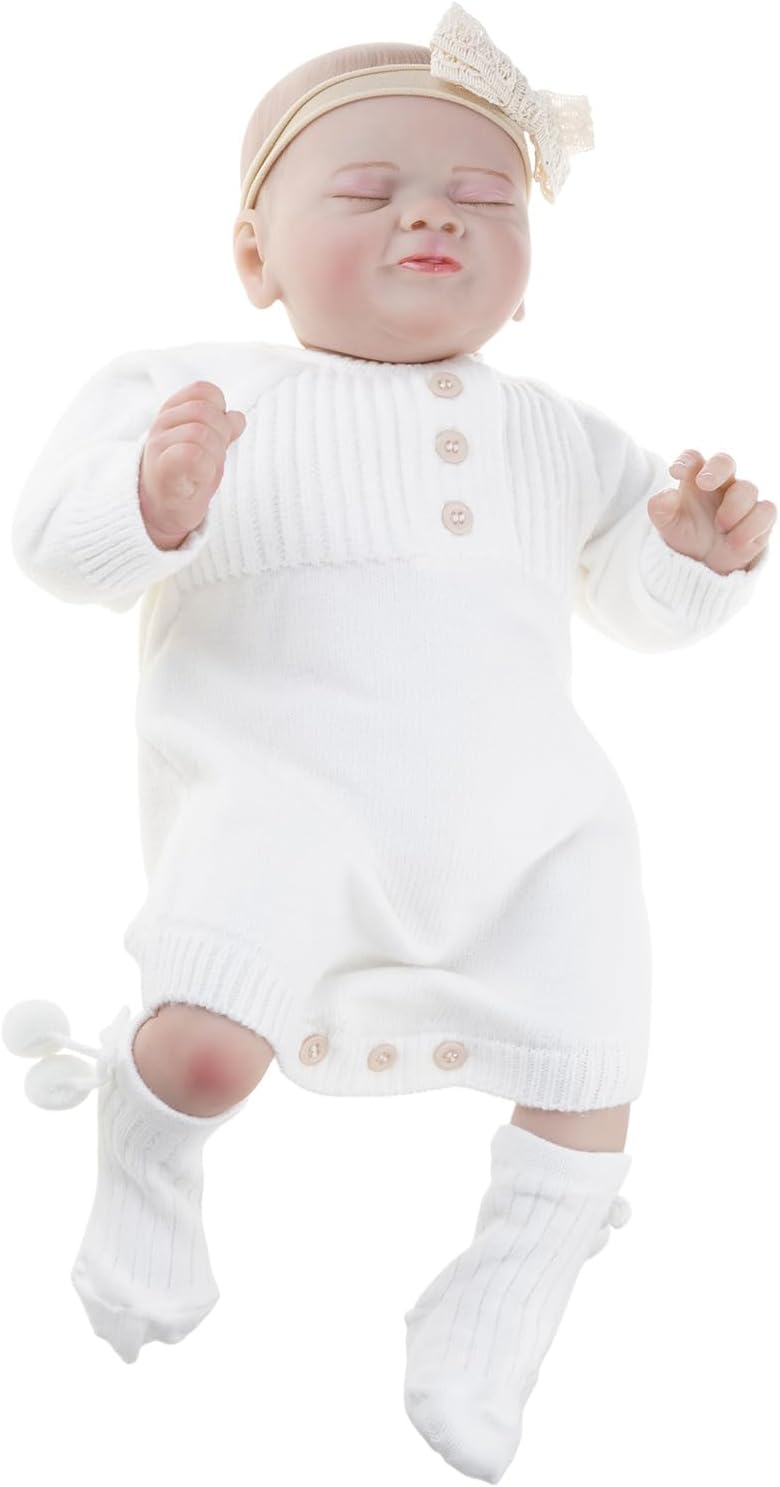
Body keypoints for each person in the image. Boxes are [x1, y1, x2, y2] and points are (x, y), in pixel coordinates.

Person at [2, 5, 774, 1481]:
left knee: (594, 1047)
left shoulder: (562, 432)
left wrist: (694, 553)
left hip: (532, 820)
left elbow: (638, 610)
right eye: (368, 190)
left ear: (528, 270)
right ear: (255, 256)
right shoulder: (197, 392)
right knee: (207, 1049)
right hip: (283, 801)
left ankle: (508, 1294)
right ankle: (147, 1153)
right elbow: (51, 547)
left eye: (483, 195)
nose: (432, 214)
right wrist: (153, 501)